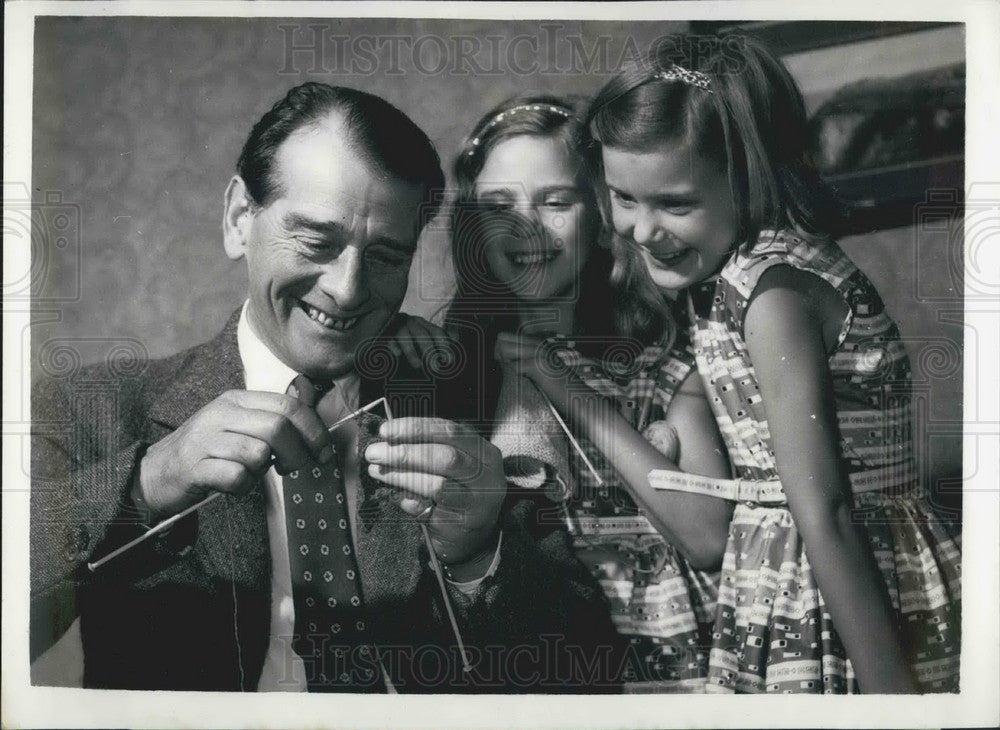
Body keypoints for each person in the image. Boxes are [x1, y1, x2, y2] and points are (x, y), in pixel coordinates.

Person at [29, 82, 624, 693]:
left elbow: (587, 669)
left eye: (388, 257)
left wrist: (481, 558)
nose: (347, 289)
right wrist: (147, 482)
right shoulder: (91, 407)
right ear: (239, 219)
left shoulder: (465, 408)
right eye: (316, 242)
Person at [578, 37, 962, 693]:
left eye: (674, 203)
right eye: (624, 198)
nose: (643, 230)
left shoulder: (773, 297)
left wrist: (889, 696)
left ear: (751, 177)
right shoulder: (735, 279)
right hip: (781, 576)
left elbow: (825, 509)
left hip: (833, 584)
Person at [393, 95, 733, 692]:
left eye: (556, 201)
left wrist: (560, 381)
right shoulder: (445, 370)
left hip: (675, 676)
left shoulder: (665, 361)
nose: (527, 227)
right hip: (534, 673)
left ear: (601, 216)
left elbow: (708, 538)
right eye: (499, 206)